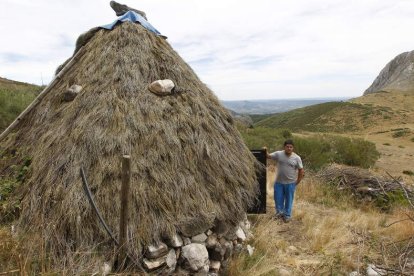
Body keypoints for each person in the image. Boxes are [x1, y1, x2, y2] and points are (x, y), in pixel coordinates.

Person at [264, 139, 304, 222]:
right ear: (284, 147)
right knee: (278, 199)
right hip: (279, 182)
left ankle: (287, 215)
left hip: (290, 183)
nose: (289, 148)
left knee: (289, 200)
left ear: (293, 148)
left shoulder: (297, 158)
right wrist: (265, 150)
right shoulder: (279, 154)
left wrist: (297, 181)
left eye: (291, 147)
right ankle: (279, 213)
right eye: (287, 147)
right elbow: (268, 156)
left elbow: (301, 170)